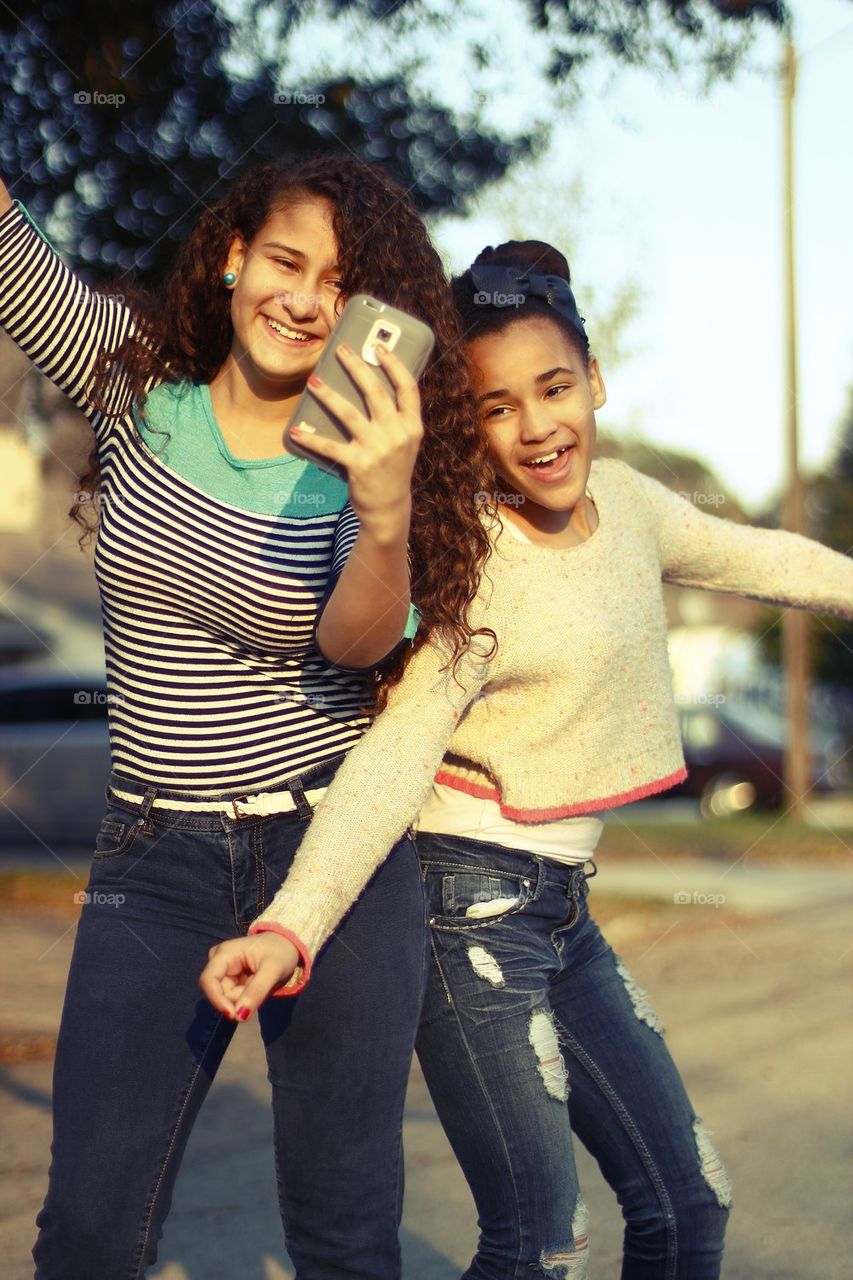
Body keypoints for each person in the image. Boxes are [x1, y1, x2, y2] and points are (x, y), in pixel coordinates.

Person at [201, 239, 853, 1279]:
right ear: (472, 425)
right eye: (498, 406)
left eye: (554, 388)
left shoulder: (635, 505)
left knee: (690, 1208)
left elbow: (765, 558)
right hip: (464, 913)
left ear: (594, 382)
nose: (537, 425)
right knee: (544, 1246)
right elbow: (394, 754)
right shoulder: (475, 557)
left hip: (561, 911)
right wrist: (293, 921)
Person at [0, 156, 492, 1279]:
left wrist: (381, 512)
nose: (304, 298)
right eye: (284, 260)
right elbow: (11, 255)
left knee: (344, 1237)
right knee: (86, 1233)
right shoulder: (133, 389)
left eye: (340, 285)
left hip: (329, 857)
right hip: (153, 851)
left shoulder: (357, 465)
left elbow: (354, 643)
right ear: (231, 255)